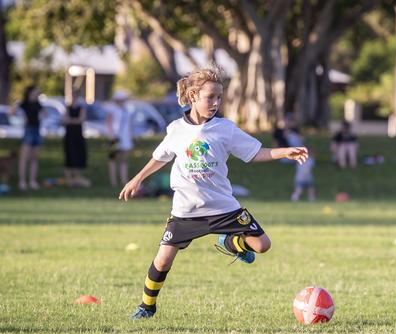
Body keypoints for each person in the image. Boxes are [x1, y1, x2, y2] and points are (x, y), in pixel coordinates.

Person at [119, 64, 308, 320]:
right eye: (210, 97)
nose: (216, 102)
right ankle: (146, 306)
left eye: (219, 97)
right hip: (186, 210)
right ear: (194, 96)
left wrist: (284, 151)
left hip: (222, 206)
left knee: (262, 245)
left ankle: (229, 242)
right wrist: (137, 178)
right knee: (163, 261)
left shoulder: (225, 129)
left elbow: (254, 153)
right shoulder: (176, 129)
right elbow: (160, 157)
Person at [16, 85, 45, 191]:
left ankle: (32, 181)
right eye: (35, 92)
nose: (37, 94)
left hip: (37, 131)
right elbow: (15, 114)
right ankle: (22, 181)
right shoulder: (23, 104)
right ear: (30, 93)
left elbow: (43, 115)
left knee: (34, 158)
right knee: (24, 158)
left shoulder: (38, 105)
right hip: (28, 130)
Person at [106, 90, 133, 187]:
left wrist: (130, 136)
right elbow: (109, 123)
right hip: (114, 138)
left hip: (125, 138)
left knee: (124, 159)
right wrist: (111, 135)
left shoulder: (127, 110)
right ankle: (113, 181)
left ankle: (124, 180)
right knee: (113, 159)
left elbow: (129, 125)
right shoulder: (112, 109)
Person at [63, 94, 90, 187]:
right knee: (70, 156)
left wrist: (71, 120)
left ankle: (77, 178)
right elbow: (66, 119)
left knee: (78, 156)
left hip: (78, 135)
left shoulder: (81, 108)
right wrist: (75, 120)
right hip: (69, 135)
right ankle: (70, 180)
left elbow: (81, 120)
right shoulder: (67, 107)